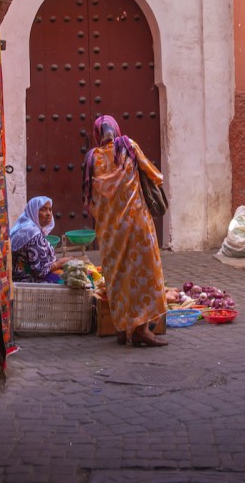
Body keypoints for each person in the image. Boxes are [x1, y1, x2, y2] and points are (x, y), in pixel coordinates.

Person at [81, 115, 168, 348]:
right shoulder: (128, 146)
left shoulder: (92, 159)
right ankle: (141, 330)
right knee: (145, 275)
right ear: (116, 129)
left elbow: (90, 201)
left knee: (118, 276)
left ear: (97, 134)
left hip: (111, 232)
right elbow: (155, 175)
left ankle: (122, 328)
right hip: (138, 224)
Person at [10, 196, 73, 283]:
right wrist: (61, 262)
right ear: (34, 211)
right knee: (74, 281)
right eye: (43, 209)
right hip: (27, 281)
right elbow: (41, 271)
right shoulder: (32, 233)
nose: (48, 213)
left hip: (22, 277)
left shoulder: (25, 227)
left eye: (50, 210)